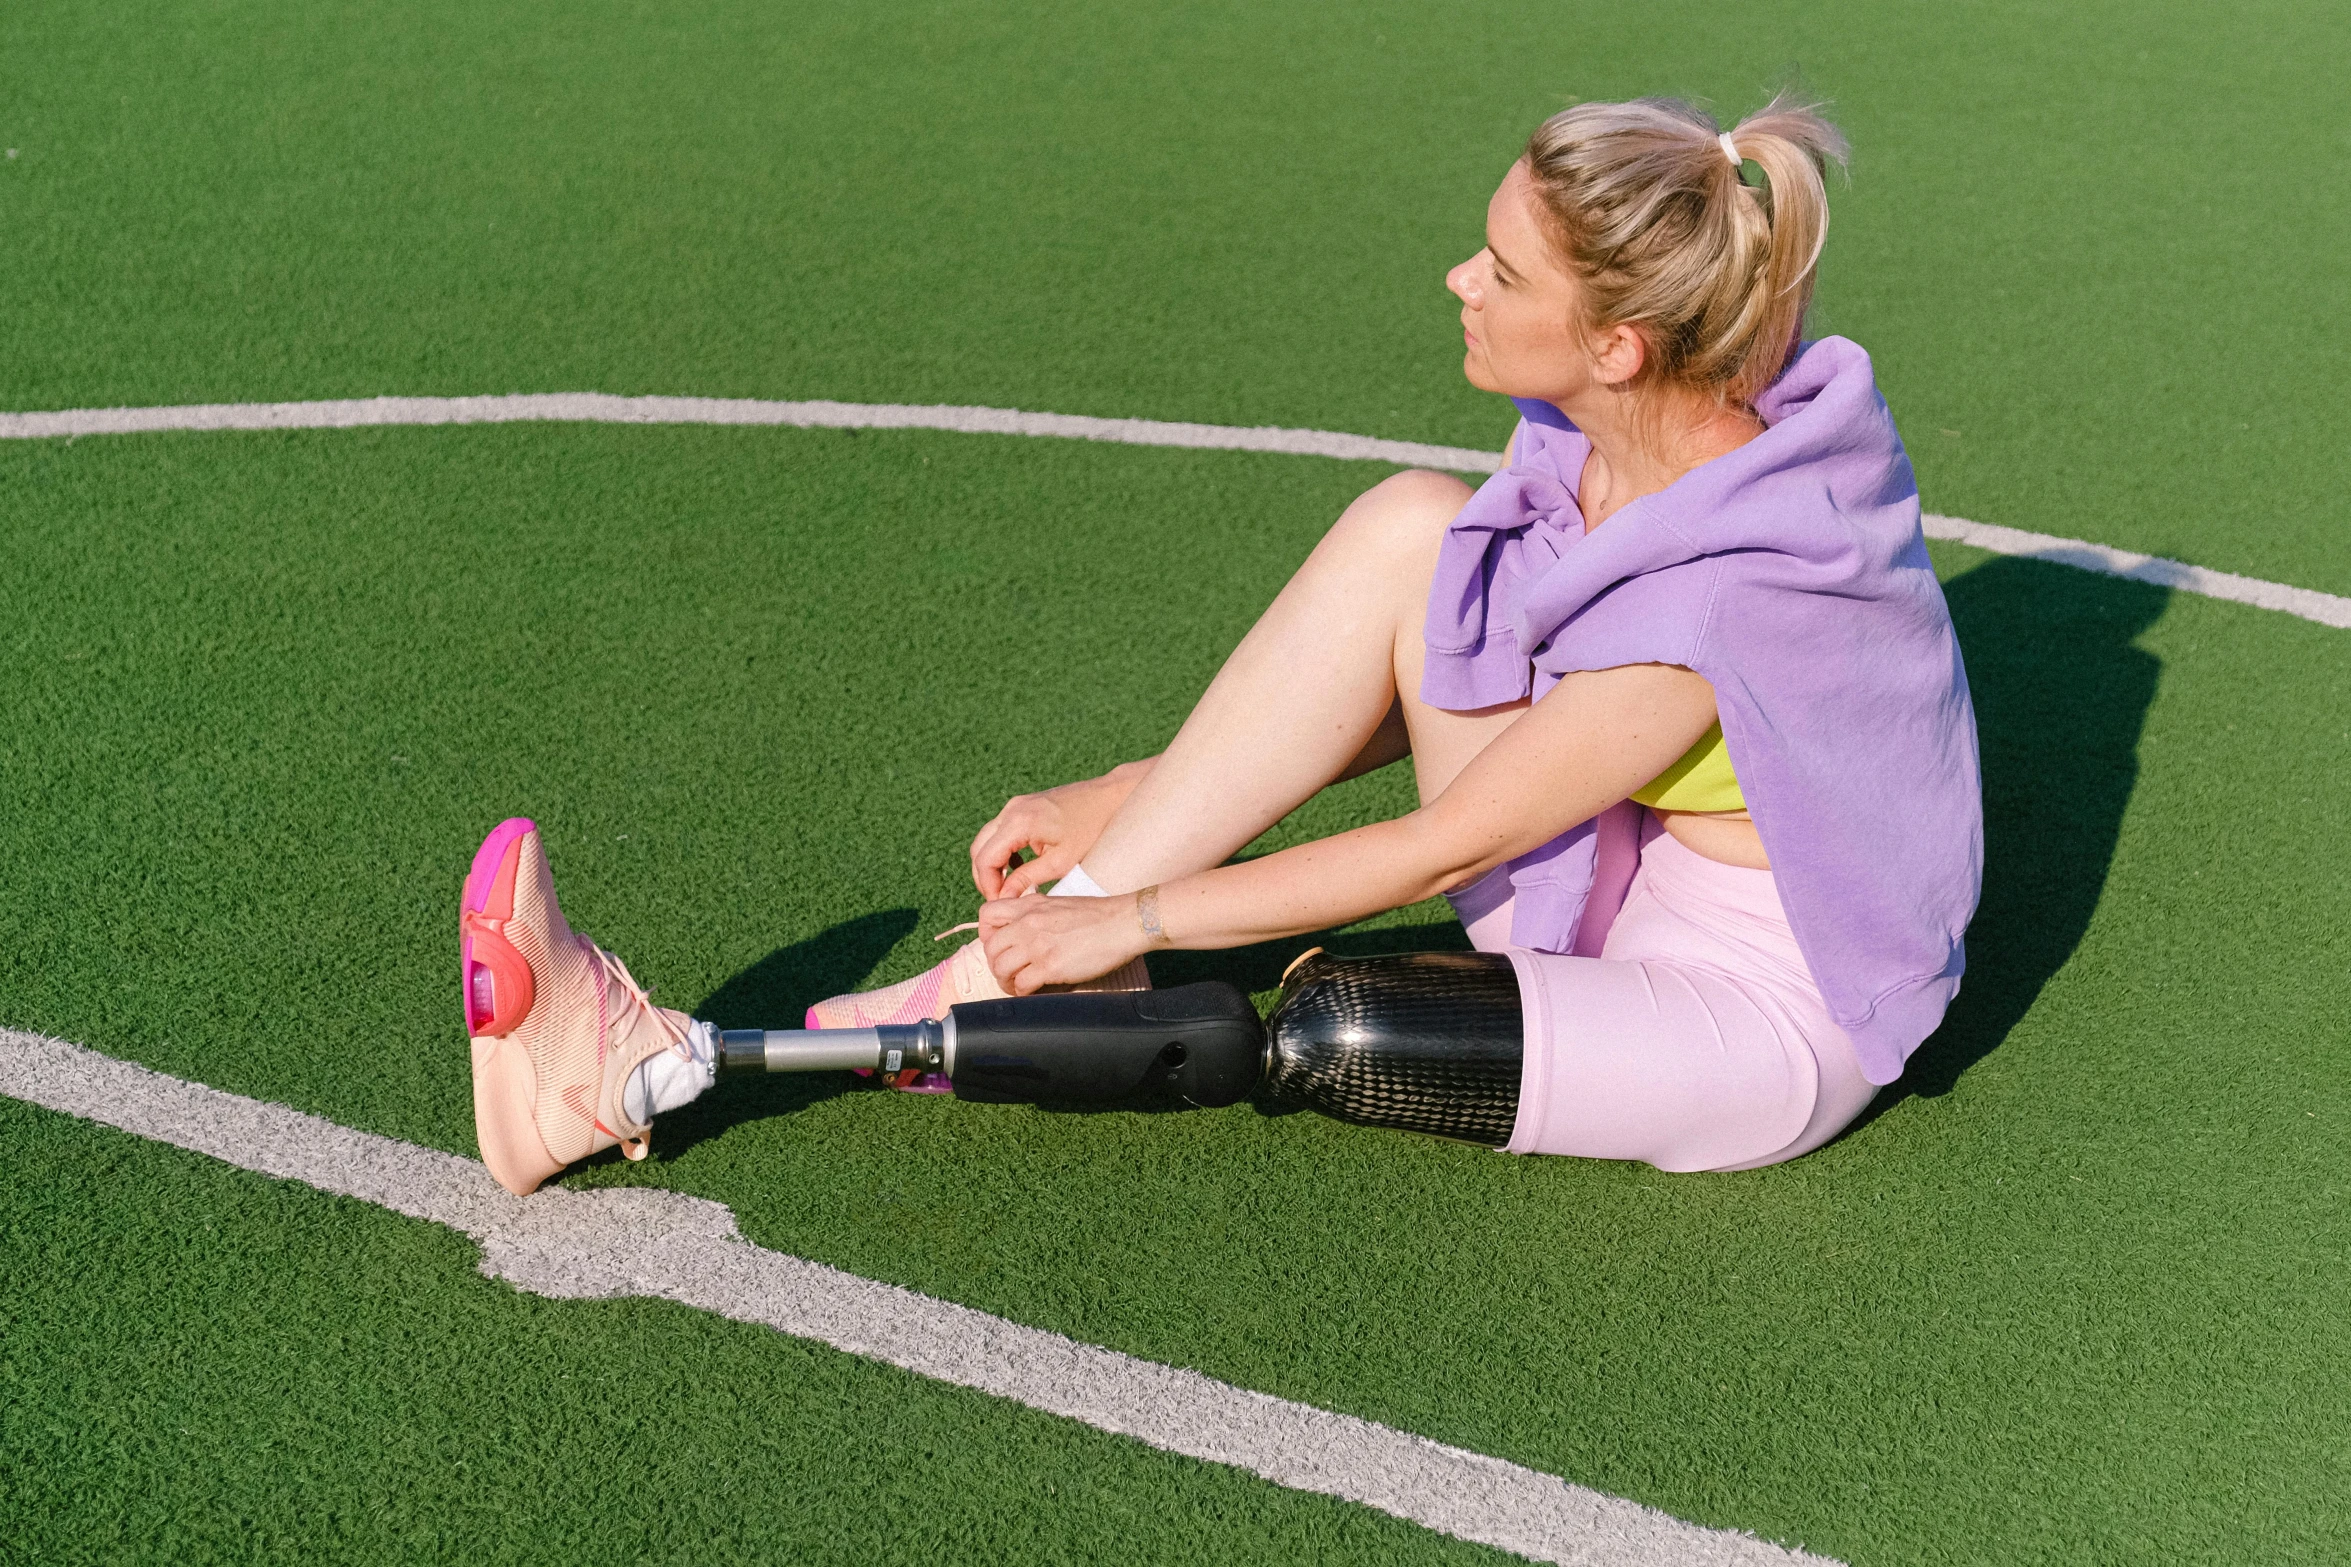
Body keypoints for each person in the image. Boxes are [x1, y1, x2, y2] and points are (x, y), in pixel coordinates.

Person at [461, 94, 1981, 1197]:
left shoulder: (1717, 602)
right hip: (1622, 843)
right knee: (1411, 524)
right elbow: (1487, 652)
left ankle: (719, 1056)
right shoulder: (1633, 437)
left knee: (1337, 1024)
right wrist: (1142, 789)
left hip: (1755, 1014)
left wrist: (1146, 920)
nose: (1460, 278)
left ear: (1615, 347)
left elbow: (1448, 832)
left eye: (1502, 274)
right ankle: (955, 992)